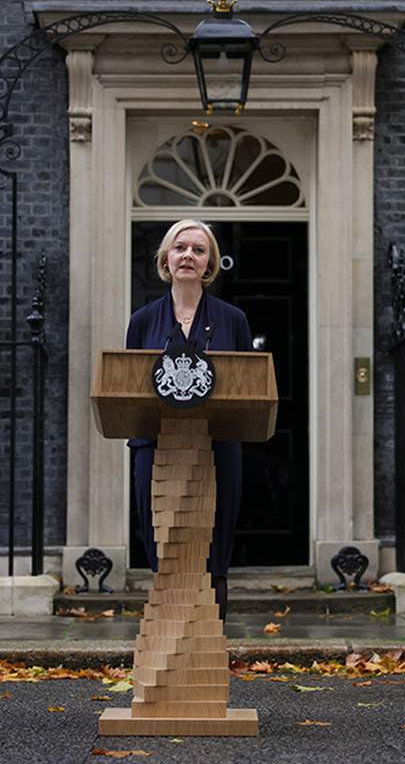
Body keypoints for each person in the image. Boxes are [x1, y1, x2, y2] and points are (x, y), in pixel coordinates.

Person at [125, 219, 253, 621]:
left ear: (210, 263)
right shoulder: (143, 320)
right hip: (156, 447)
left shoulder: (233, 320)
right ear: (166, 258)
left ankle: (210, 636)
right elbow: (128, 388)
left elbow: (250, 388)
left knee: (213, 547)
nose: (188, 256)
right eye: (180, 248)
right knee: (163, 545)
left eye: (198, 250)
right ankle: (168, 638)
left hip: (217, 448)